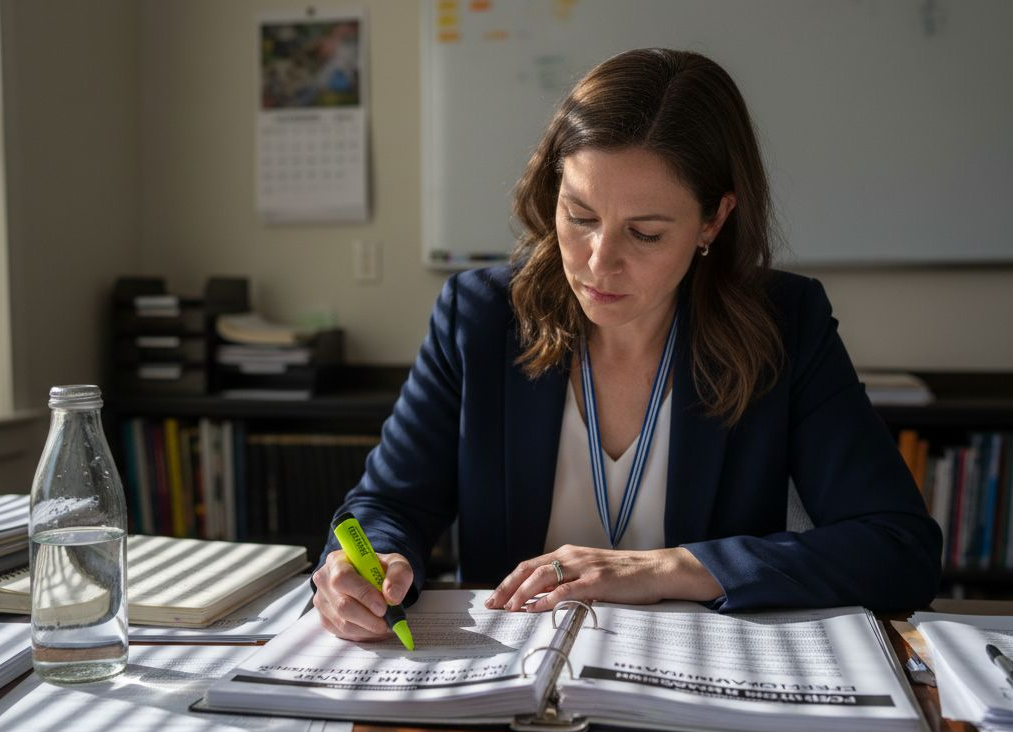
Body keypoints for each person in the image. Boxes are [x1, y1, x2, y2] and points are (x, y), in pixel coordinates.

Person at [312, 48, 942, 643]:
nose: (598, 261)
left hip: (699, 682)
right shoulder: (478, 316)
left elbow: (899, 548)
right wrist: (368, 561)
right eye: (580, 216)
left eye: (644, 234)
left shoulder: (785, 323)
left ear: (713, 221)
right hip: (510, 678)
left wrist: (670, 568)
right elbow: (386, 505)